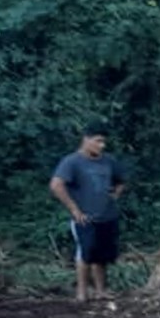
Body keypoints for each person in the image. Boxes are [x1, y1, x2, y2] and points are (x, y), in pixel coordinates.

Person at [49, 122, 130, 302]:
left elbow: (121, 180)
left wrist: (115, 194)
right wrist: (74, 210)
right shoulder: (72, 162)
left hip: (107, 215)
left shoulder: (108, 161)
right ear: (86, 140)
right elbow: (56, 185)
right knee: (85, 254)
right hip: (85, 217)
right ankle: (82, 292)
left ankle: (101, 291)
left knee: (102, 256)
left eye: (103, 142)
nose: (101, 145)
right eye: (98, 141)